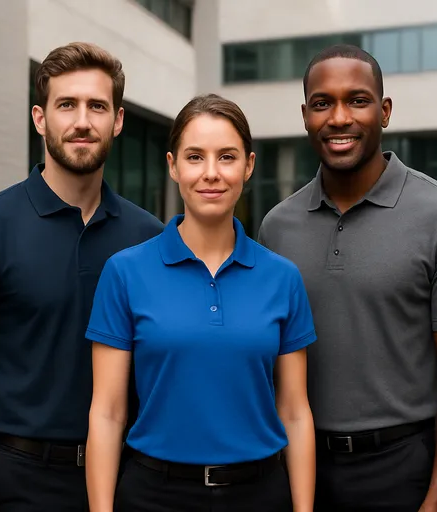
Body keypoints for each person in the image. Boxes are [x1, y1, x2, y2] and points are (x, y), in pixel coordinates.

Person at [0, 42, 164, 511]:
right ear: (40, 118)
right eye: (67, 105)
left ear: (117, 121)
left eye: (97, 106)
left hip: (128, 479)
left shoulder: (151, 237)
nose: (82, 121)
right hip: (18, 479)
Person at [257, 44, 437, 511]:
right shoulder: (276, 227)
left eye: (357, 101)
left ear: (384, 112)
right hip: (301, 469)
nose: (339, 117)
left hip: (403, 469)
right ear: (305, 116)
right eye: (322, 103)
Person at [84, 93, 317, 512]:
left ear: (248, 166)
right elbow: (107, 412)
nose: (211, 173)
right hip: (154, 494)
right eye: (195, 157)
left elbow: (295, 411)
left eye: (226, 157)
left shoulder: (283, 278)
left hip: (260, 495)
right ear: (173, 166)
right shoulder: (125, 272)